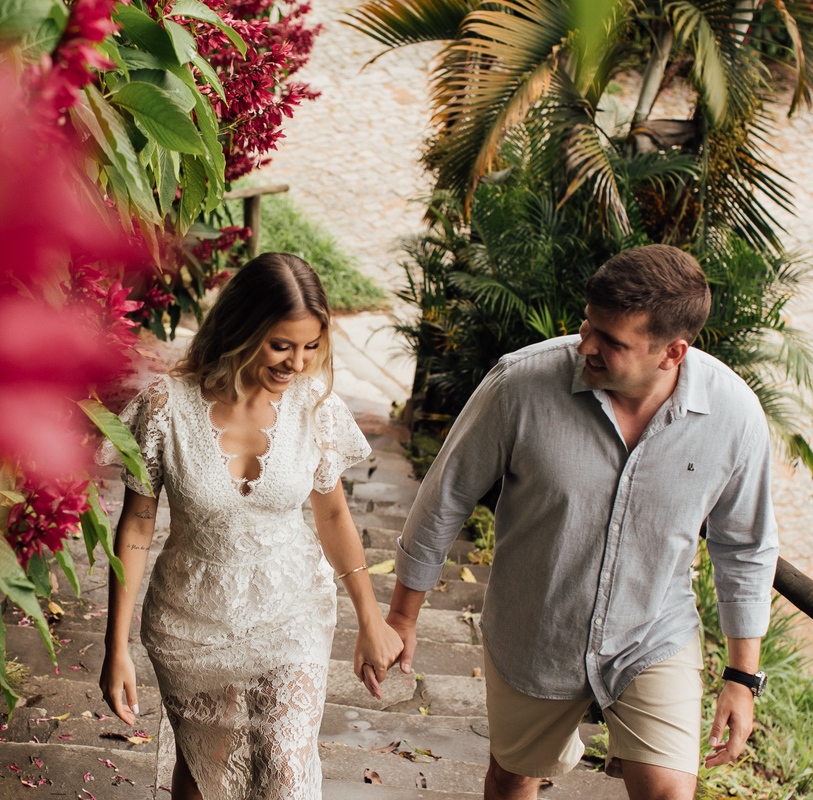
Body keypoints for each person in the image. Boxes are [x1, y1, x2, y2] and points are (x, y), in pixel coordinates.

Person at [379, 244, 779, 800]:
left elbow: (746, 546)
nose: (585, 344)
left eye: (611, 341)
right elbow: (446, 495)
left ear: (673, 353)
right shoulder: (519, 385)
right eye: (588, 324)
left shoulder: (734, 416)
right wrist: (402, 615)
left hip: (653, 631)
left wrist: (741, 678)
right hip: (537, 628)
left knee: (669, 792)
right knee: (514, 777)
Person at [97, 253, 404, 800]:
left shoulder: (315, 407)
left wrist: (370, 616)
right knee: (206, 771)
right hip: (190, 621)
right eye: (281, 345)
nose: (297, 364)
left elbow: (333, 514)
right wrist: (115, 645)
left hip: (292, 612)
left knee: (284, 767)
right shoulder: (165, 407)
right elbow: (137, 527)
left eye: (311, 347)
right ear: (242, 329)